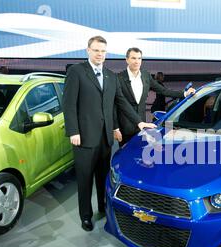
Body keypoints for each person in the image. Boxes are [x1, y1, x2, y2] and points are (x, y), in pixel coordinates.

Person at [62, 36, 156, 232]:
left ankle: (102, 208)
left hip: (105, 138)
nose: (100, 54)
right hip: (84, 138)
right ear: (88, 50)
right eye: (96, 50)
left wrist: (139, 122)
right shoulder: (77, 72)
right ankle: (86, 216)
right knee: (85, 180)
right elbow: (69, 104)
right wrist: (73, 130)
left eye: (103, 51)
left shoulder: (111, 76)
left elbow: (120, 102)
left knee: (102, 177)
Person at [117, 48, 195, 146]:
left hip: (141, 126)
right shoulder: (119, 78)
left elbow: (163, 90)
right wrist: (115, 128)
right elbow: (116, 104)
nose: (137, 61)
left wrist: (184, 94)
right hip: (125, 126)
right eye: (133, 58)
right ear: (127, 59)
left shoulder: (145, 75)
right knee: (124, 155)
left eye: (139, 58)